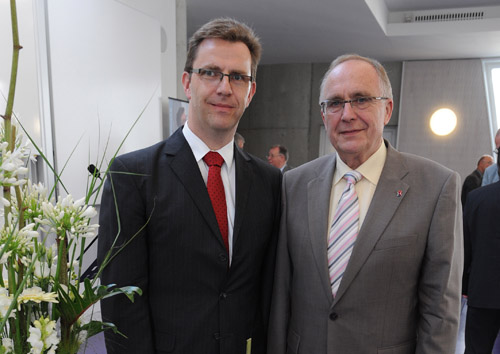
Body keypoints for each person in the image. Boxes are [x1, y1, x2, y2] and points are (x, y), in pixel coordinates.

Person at [98, 18, 281, 354]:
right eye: (210, 72)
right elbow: (121, 299)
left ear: (250, 91)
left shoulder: (269, 182)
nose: (224, 88)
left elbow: (268, 289)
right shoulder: (133, 175)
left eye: (238, 77)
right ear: (187, 82)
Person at [268, 54, 463, 353]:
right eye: (334, 103)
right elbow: (282, 294)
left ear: (387, 109)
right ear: (323, 115)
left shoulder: (436, 187)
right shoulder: (292, 185)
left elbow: (440, 310)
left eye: (361, 99)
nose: (346, 114)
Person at [462, 154, 500, 353]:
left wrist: (464, 286)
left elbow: (465, 247)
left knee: (477, 349)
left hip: (482, 291)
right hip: (481, 291)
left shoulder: (476, 198)